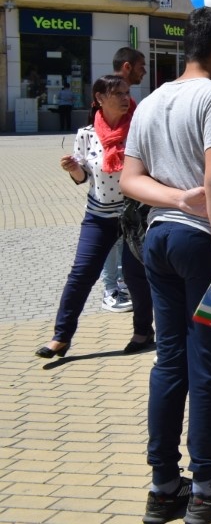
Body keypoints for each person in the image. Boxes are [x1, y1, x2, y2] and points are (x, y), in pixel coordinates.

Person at [121, 7, 211, 523]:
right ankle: (206, 484)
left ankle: (164, 485)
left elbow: (131, 179)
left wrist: (175, 200)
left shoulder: (152, 100)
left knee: (170, 361)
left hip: (159, 241)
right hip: (207, 248)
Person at [35, 74, 154, 358]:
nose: (126, 98)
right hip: (98, 216)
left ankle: (143, 331)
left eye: (127, 92)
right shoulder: (86, 134)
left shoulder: (138, 130)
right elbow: (83, 178)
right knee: (81, 274)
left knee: (136, 276)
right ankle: (61, 337)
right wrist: (73, 169)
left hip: (134, 217)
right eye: (118, 93)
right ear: (100, 98)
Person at [99, 46, 149, 314]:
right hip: (110, 186)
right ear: (127, 67)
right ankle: (111, 288)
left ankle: (122, 283)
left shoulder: (130, 101)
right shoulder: (107, 98)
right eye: (141, 66)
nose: (145, 71)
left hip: (128, 184)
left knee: (126, 236)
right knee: (113, 239)